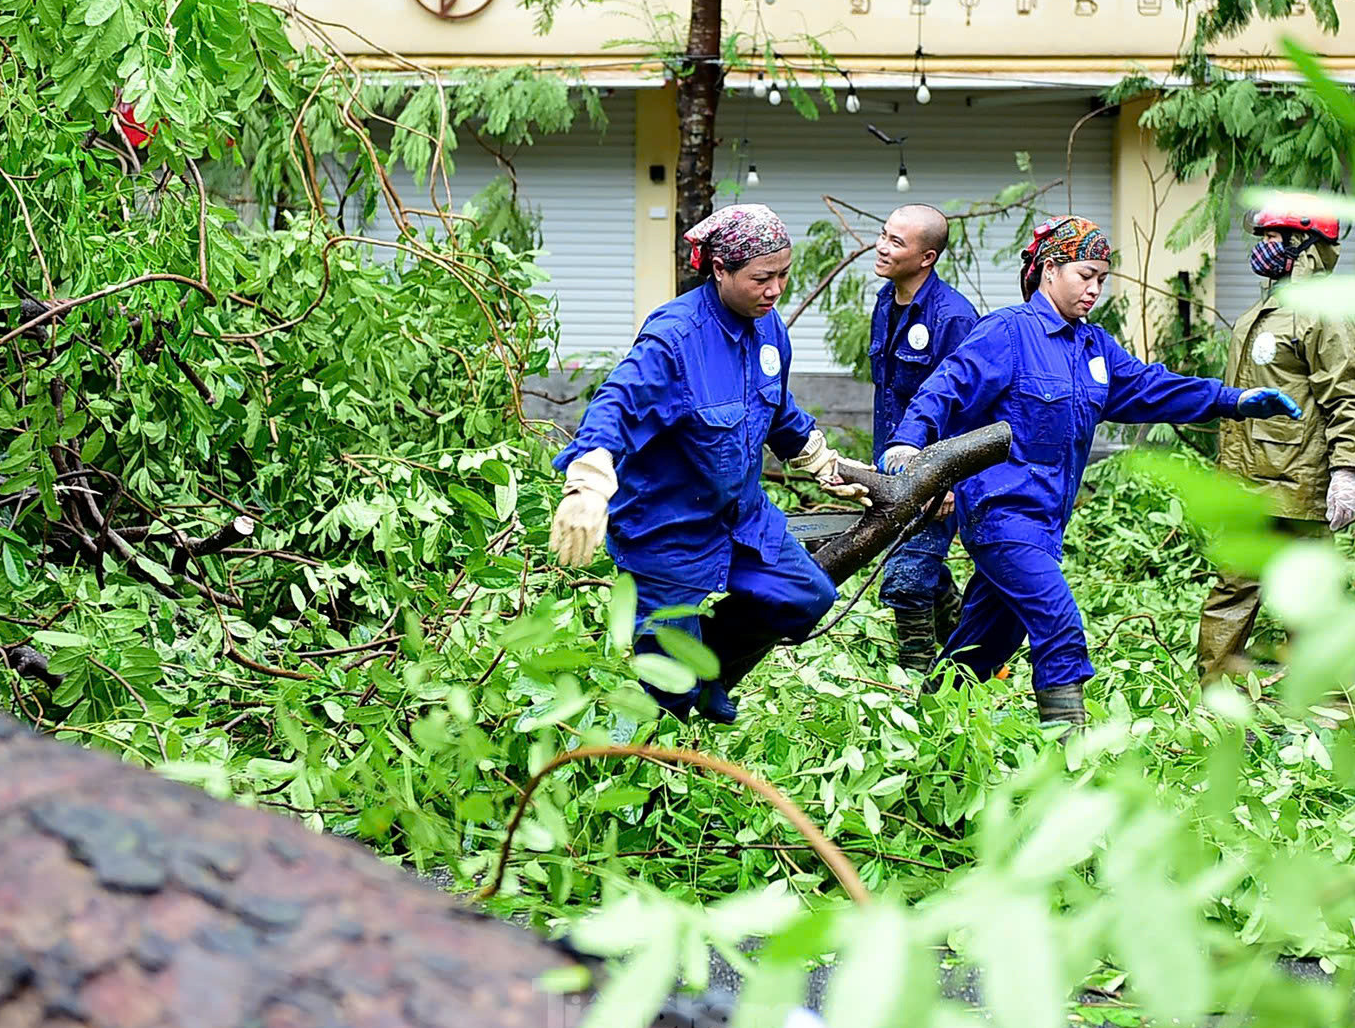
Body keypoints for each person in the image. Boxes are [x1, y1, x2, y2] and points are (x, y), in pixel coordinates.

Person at [880, 215, 1304, 728]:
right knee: (1059, 627)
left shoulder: (1093, 349)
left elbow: (1152, 387)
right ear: (1050, 270)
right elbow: (947, 386)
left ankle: (928, 721)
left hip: (1045, 525)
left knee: (986, 641)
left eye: (1102, 279)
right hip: (1000, 517)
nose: (1094, 289)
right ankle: (1069, 749)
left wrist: (1233, 400)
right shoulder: (1008, 332)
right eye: (1085, 275)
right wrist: (906, 444)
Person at [548, 204, 870, 723]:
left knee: (806, 597)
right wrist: (587, 482)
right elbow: (618, 402)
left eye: (784, 275)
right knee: (667, 691)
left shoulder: (768, 328)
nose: (776, 290)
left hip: (740, 519)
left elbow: (776, 406)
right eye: (762, 278)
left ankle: (710, 667)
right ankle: (655, 751)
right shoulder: (676, 338)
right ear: (720, 269)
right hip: (667, 532)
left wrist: (820, 460)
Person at [1196, 208, 1355, 681]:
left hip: (1297, 482)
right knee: (1233, 587)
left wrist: (1346, 471)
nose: (1264, 247)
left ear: (1305, 246)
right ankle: (1213, 695)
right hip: (1250, 480)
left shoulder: (1324, 312)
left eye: (1274, 237)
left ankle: (1325, 700)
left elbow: (1346, 395)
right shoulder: (1268, 308)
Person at [868, 204, 979, 671]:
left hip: (937, 473)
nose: (881, 247)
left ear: (927, 257)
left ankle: (914, 680)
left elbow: (969, 405)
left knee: (908, 578)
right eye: (883, 235)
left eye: (896, 242)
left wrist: (949, 478)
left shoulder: (954, 318)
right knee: (919, 563)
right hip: (893, 467)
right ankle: (973, 649)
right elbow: (888, 394)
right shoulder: (884, 302)